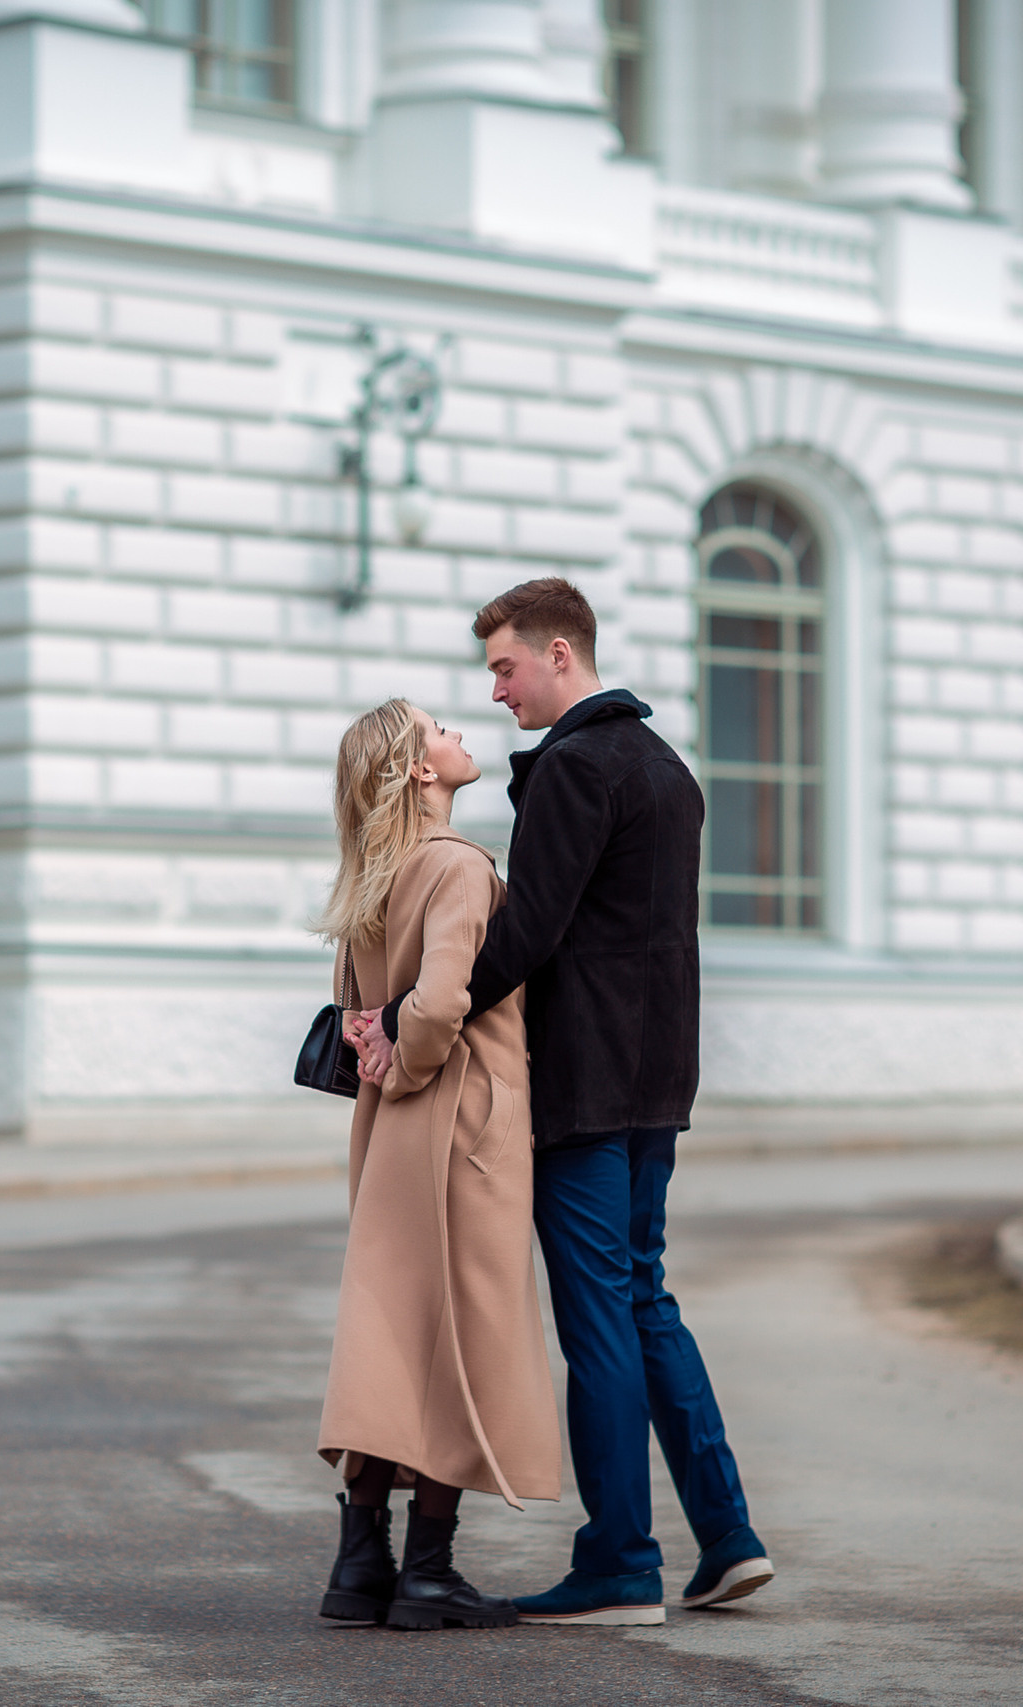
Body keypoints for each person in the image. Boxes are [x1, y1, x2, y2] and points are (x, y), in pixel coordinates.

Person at [351, 577, 774, 1628]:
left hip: (584, 1086)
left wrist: (405, 1017)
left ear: (558, 655)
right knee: (642, 1299)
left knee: (600, 1318)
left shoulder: (577, 768)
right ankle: (725, 1538)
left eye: (502, 667)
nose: (494, 692)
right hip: (658, 1080)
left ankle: (620, 1559)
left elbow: (527, 933)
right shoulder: (664, 764)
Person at [310, 699, 560, 1633]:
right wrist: (414, 1059)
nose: (459, 733)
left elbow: (352, 1010)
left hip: (388, 1131)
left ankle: (359, 1561)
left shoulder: (370, 876)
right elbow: (440, 1003)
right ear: (421, 771)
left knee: (390, 1327)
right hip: (462, 1120)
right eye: (439, 729)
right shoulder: (457, 865)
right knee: (462, 1331)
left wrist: (392, 1063)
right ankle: (429, 1570)